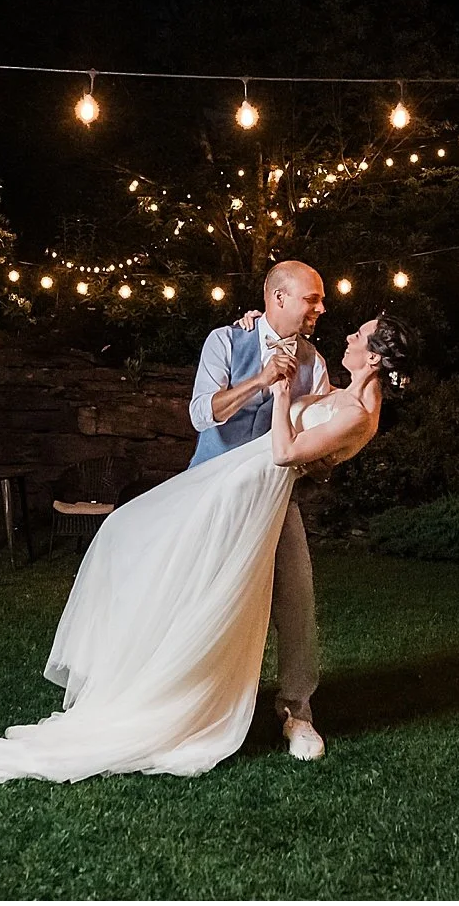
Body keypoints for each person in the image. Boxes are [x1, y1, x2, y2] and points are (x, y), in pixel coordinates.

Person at [0, 311, 414, 785]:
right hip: (232, 483)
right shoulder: (321, 383)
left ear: (373, 360)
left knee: (280, 597)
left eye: (360, 334)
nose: (341, 328)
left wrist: (282, 389)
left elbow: (288, 451)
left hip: (261, 494)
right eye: (314, 300)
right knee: (152, 552)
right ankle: (152, 687)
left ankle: (285, 709)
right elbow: (226, 414)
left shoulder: (351, 406)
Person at [187, 261, 332, 760]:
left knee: (297, 601)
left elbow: (313, 434)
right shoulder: (227, 340)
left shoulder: (315, 362)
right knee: (207, 601)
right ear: (277, 299)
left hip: (277, 498)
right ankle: (203, 705)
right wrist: (261, 379)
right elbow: (203, 413)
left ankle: (297, 711)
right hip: (214, 495)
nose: (320, 307)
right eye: (312, 298)